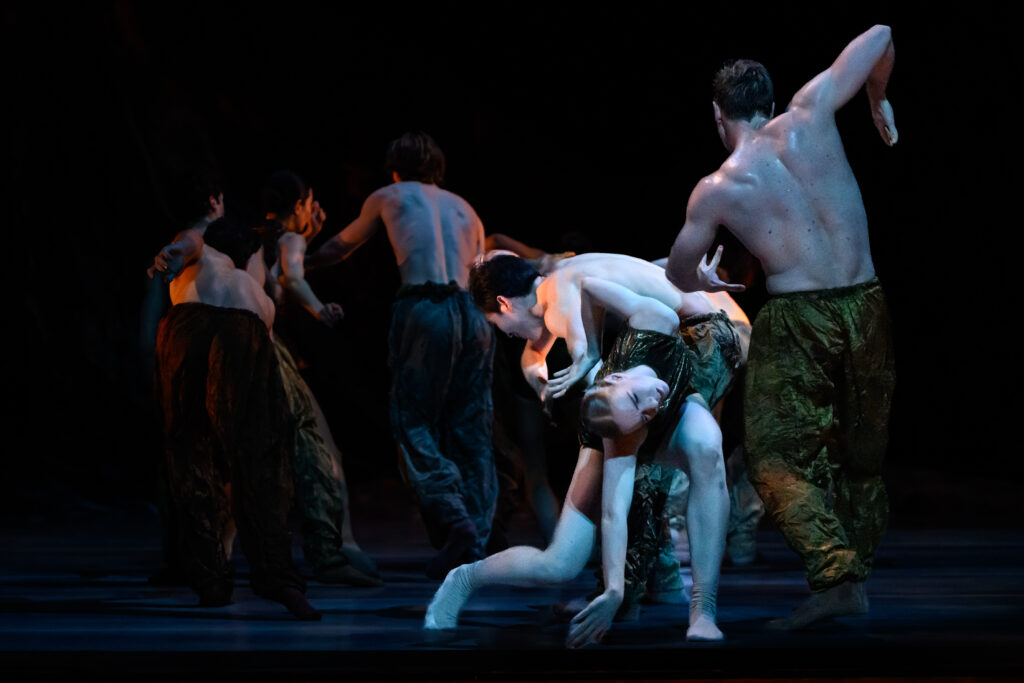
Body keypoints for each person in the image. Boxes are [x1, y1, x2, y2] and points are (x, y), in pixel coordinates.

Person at [665, 25, 897, 630]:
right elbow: (881, 35)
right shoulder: (812, 109)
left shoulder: (716, 188)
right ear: (769, 102)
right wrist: (877, 99)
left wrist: (704, 281)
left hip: (799, 318)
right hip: (867, 303)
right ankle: (851, 579)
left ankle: (837, 577)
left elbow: (678, 272)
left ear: (718, 114)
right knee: (861, 455)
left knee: (771, 459)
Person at [425, 275, 729, 645]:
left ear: (616, 379)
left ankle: (703, 609)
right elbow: (613, 514)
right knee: (560, 564)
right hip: (615, 428)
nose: (652, 402)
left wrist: (588, 351)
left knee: (706, 445)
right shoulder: (622, 432)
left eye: (639, 400)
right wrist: (613, 590)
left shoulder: (652, 322)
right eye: (643, 410)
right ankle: (465, 577)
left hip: (673, 408)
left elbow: (586, 283)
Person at [305, 131, 496, 579]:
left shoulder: (388, 196)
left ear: (395, 169)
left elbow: (340, 247)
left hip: (425, 309)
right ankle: (473, 539)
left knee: (413, 420)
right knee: (471, 427)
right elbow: (481, 269)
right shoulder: (465, 207)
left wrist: (299, 266)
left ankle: (454, 517)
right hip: (472, 313)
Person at [148, 223, 321, 621]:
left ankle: (210, 578)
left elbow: (190, 240)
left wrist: (175, 253)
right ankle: (279, 579)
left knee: (190, 456)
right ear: (250, 256)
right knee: (258, 461)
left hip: (189, 327)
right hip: (246, 330)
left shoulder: (203, 257)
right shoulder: (257, 295)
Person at [255, 170, 381, 585]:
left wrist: (308, 238)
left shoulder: (255, 239)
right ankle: (338, 548)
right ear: (299, 205)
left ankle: (218, 551)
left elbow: (286, 269)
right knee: (323, 452)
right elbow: (292, 276)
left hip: (244, 351)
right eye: (310, 203)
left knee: (251, 459)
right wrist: (319, 308)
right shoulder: (289, 238)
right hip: (271, 355)